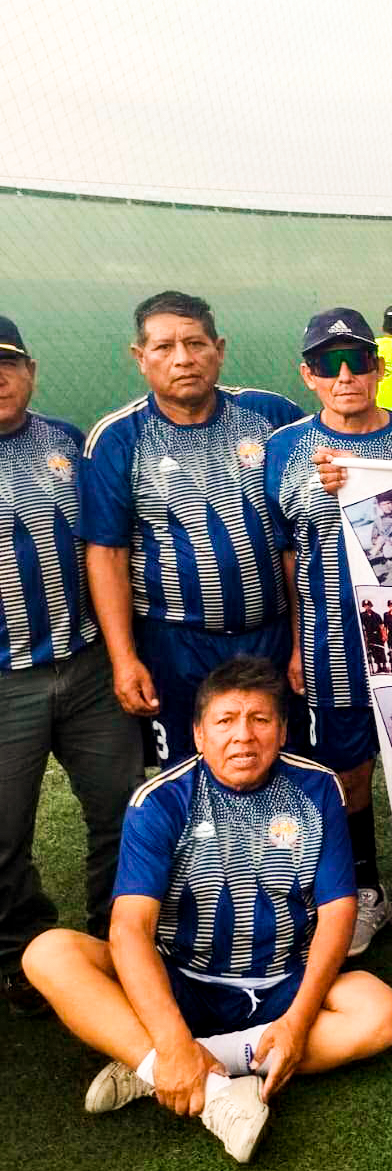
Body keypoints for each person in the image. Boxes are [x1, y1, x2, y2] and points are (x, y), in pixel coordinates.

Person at [20, 657, 392, 1164]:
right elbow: (130, 929)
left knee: (383, 1013)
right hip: (183, 981)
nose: (243, 735)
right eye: (225, 721)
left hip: (281, 983)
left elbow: (338, 912)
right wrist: (172, 1037)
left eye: (260, 719)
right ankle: (215, 1092)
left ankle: (157, 1067)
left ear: (282, 731)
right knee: (49, 953)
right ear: (199, 735)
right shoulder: (159, 800)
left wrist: (297, 1021)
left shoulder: (318, 788)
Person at [79, 292, 311, 766]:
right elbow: (107, 554)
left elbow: (340, 437)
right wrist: (124, 659)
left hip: (270, 634)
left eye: (196, 343)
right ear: (140, 357)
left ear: (219, 350)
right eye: (164, 347)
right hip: (175, 643)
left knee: (279, 761)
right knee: (188, 769)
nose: (183, 358)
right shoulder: (118, 438)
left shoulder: (273, 415)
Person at [265, 308, 392, 956]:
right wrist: (296, 641)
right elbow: (286, 552)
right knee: (347, 772)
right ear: (307, 375)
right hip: (331, 640)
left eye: (356, 361)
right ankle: (365, 889)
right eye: (326, 365)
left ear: (377, 367)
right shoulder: (285, 448)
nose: (343, 376)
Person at [0, 316, 143, 1013]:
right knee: (4, 834)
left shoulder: (66, 441)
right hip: (4, 682)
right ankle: (20, 955)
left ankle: (118, 943)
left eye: (8, 364)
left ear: (30, 370)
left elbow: (106, 544)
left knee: (120, 810)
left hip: (87, 664)